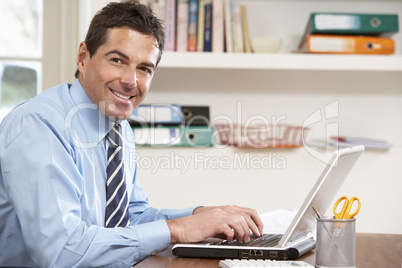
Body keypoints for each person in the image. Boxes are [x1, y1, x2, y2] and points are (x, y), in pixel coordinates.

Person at [0, 2, 263, 267]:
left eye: (144, 69)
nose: (130, 81)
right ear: (82, 57)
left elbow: (130, 217)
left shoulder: (119, 129)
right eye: (117, 60)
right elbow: (61, 251)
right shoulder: (39, 126)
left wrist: (201, 217)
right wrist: (178, 229)